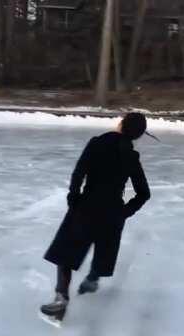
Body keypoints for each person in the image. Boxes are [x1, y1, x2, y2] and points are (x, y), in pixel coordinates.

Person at [41, 113, 151, 321]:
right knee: (104, 252)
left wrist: (74, 197)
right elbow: (144, 193)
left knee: (66, 254)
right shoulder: (131, 157)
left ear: (121, 124)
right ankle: (92, 279)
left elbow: (79, 172)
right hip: (112, 214)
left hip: (86, 208)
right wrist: (124, 212)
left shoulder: (97, 143)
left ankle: (61, 297)